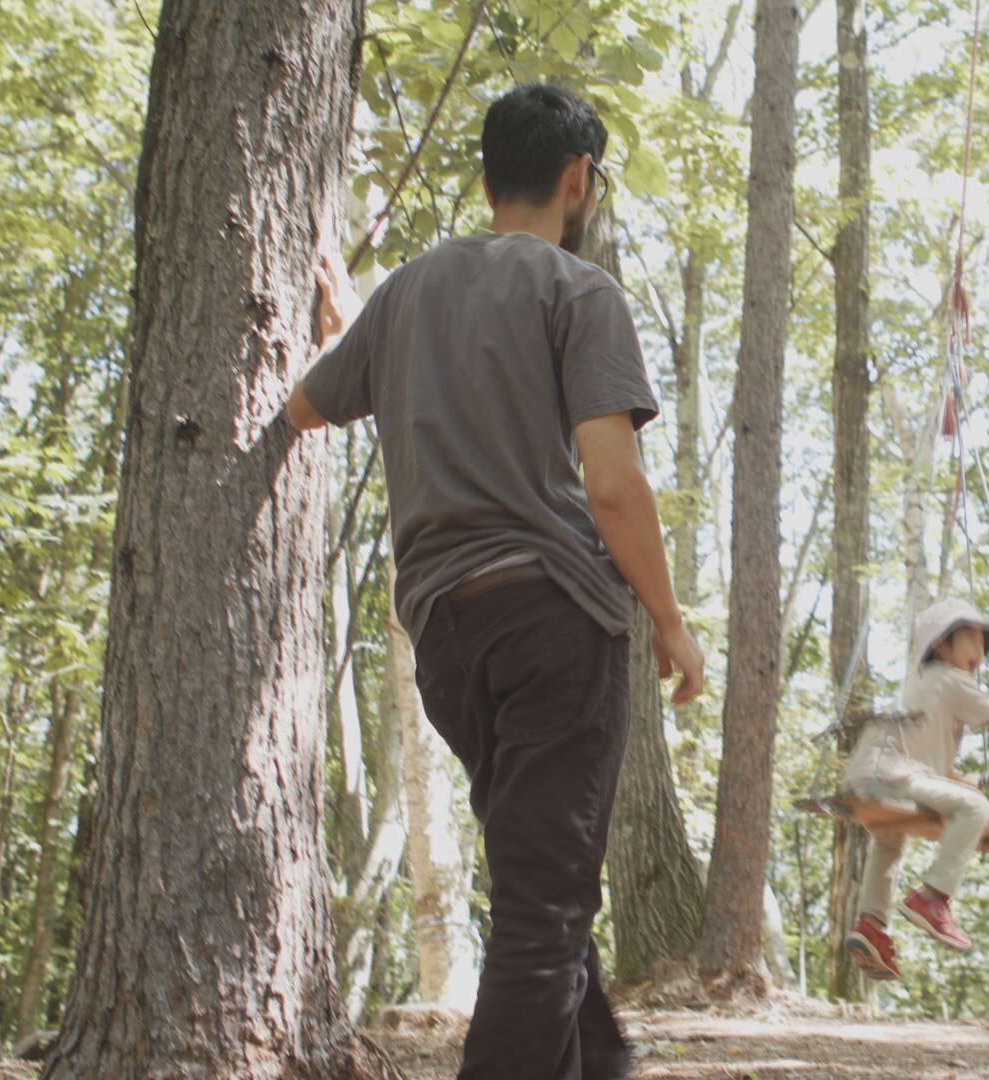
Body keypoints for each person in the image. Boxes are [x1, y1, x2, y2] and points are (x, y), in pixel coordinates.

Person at [287, 82, 705, 1080]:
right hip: (552, 623)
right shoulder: (580, 291)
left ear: (487, 177)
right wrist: (671, 623)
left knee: (544, 888)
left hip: (447, 643)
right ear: (579, 180)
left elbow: (306, 408)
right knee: (544, 908)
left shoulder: (408, 294)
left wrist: (351, 326)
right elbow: (612, 487)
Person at [841, 598, 989, 980]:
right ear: (943, 644)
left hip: (868, 777)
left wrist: (956, 777)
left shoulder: (918, 684)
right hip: (897, 775)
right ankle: (932, 898)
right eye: (972, 639)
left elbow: (922, 752)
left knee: (888, 841)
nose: (980, 652)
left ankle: (871, 926)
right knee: (975, 809)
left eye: (985, 644)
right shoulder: (952, 679)